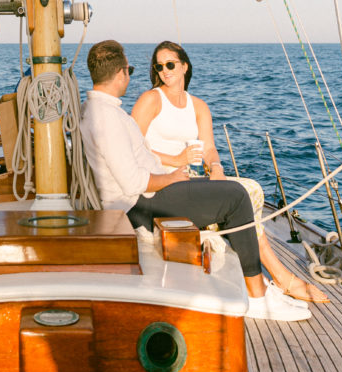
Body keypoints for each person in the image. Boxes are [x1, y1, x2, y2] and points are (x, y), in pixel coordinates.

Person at [80, 39, 309, 322]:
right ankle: (257, 297)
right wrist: (173, 175)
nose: (131, 75)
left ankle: (258, 284)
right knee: (235, 197)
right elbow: (134, 183)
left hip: (147, 196)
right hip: (141, 206)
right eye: (130, 70)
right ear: (119, 74)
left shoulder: (102, 111)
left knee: (230, 191)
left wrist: (209, 169)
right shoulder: (107, 118)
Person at [131, 40, 328, 305]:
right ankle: (278, 277)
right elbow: (132, 149)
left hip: (188, 181)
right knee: (246, 193)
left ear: (184, 66)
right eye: (159, 66)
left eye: (170, 64)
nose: (165, 71)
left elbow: (209, 148)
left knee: (250, 190)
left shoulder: (198, 106)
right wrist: (175, 158)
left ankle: (272, 275)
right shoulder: (151, 99)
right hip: (158, 184)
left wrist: (216, 168)